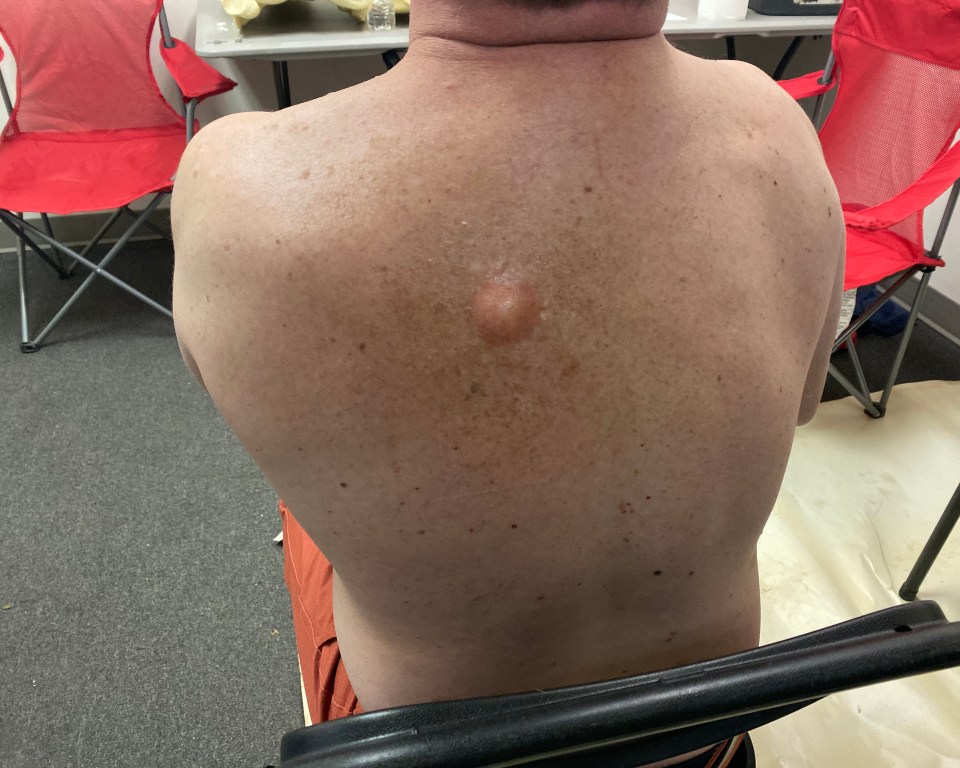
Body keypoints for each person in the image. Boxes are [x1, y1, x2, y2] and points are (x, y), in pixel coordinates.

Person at [171, 0, 844, 763]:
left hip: (420, 748)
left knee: (307, 499)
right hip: (702, 743)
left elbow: (238, 399)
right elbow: (803, 404)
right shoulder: (775, 129)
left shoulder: (240, 182)